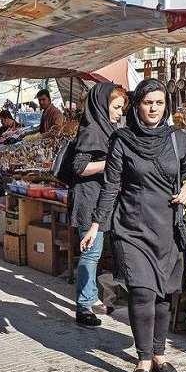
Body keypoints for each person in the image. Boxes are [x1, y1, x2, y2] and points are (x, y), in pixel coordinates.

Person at [80, 78, 186, 372]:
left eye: (159, 103)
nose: (154, 108)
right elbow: (110, 187)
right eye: (148, 103)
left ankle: (159, 354)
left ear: (166, 105)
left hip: (168, 228)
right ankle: (144, 358)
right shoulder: (122, 140)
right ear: (138, 105)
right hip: (131, 228)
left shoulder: (178, 138)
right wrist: (95, 225)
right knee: (142, 292)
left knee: (162, 295)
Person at [68, 83, 128, 327]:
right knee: (91, 253)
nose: (119, 113)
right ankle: (83, 307)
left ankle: (91, 297)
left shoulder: (105, 128)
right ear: (102, 105)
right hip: (89, 200)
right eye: (116, 107)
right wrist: (112, 164)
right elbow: (79, 167)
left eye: (122, 108)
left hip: (102, 199)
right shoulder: (92, 131)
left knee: (95, 252)